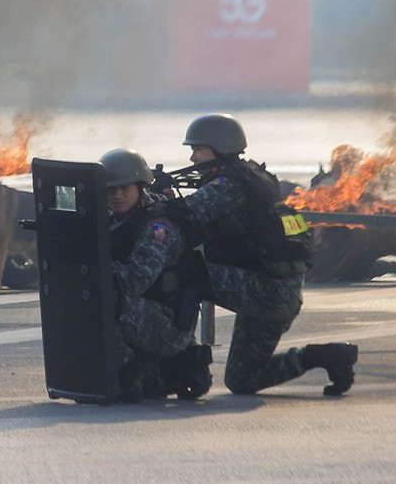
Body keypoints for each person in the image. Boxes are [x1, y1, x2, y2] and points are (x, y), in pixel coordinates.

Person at [164, 114, 355, 397]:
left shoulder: (228, 186)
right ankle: (323, 357)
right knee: (242, 379)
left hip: (266, 291)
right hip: (275, 291)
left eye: (198, 149)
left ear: (220, 148)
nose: (192, 157)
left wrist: (155, 200)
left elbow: (185, 216)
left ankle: (183, 360)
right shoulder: (251, 176)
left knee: (182, 273)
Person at [101, 148, 210, 400]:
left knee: (104, 299)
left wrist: (96, 257)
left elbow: (134, 282)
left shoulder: (158, 228)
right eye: (110, 189)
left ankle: (127, 376)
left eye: (124, 188)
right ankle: (150, 373)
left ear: (140, 187)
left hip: (169, 326)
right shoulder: (116, 219)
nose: (117, 195)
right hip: (145, 316)